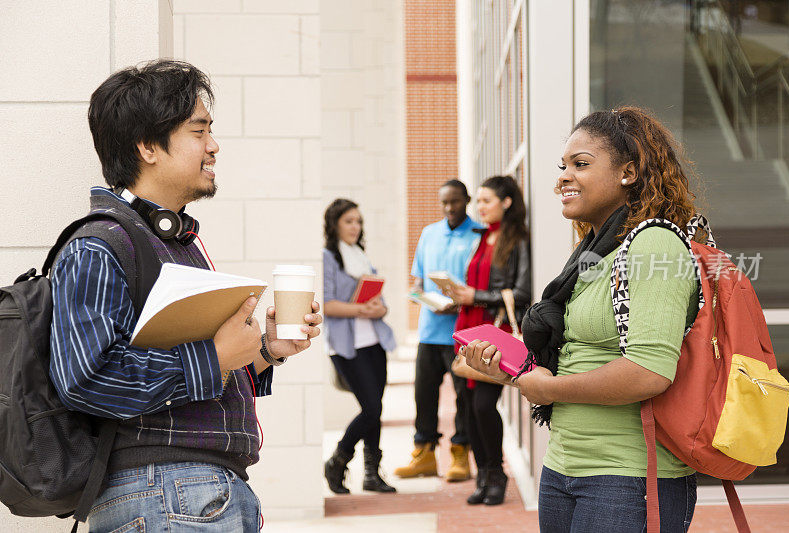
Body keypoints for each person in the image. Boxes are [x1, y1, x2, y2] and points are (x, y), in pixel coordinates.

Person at [49, 60, 322, 532]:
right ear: (148, 147)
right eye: (199, 132)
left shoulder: (171, 241)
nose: (213, 146)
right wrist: (213, 358)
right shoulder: (100, 245)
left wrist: (261, 353)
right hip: (165, 495)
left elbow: (191, 385)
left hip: (191, 494)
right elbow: (85, 378)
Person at [462, 106, 701, 532]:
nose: (562, 178)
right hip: (564, 467)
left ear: (628, 171)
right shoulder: (595, 254)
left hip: (629, 477)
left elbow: (649, 372)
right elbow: (579, 353)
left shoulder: (655, 247)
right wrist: (510, 371)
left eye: (581, 164)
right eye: (563, 166)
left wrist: (549, 387)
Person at [449, 175, 531, 506]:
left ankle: (497, 474)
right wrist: (459, 295)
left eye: (486, 201)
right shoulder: (483, 238)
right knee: (468, 406)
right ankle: (482, 474)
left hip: (493, 335)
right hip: (470, 328)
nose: (479, 207)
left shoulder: (518, 239)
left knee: (484, 404)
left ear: (506, 202)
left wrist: (476, 296)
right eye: (478, 201)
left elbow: (522, 292)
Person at [395, 180, 482, 482]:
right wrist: (423, 299)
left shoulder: (478, 234)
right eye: (444, 202)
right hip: (429, 332)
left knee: (464, 398)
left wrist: (459, 303)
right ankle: (425, 454)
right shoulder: (429, 234)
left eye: (455, 202)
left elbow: (481, 287)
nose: (449, 208)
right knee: (424, 396)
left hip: (462, 332)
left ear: (466, 200)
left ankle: (461, 455)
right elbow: (417, 285)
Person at [322, 198, 398, 494]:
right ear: (335, 224)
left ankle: (371, 474)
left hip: (374, 342)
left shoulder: (361, 256)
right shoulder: (329, 257)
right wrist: (359, 309)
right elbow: (326, 303)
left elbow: (381, 304)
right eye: (349, 221)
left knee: (374, 410)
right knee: (371, 408)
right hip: (346, 346)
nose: (356, 227)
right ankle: (337, 461)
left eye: (359, 221)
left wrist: (378, 309)